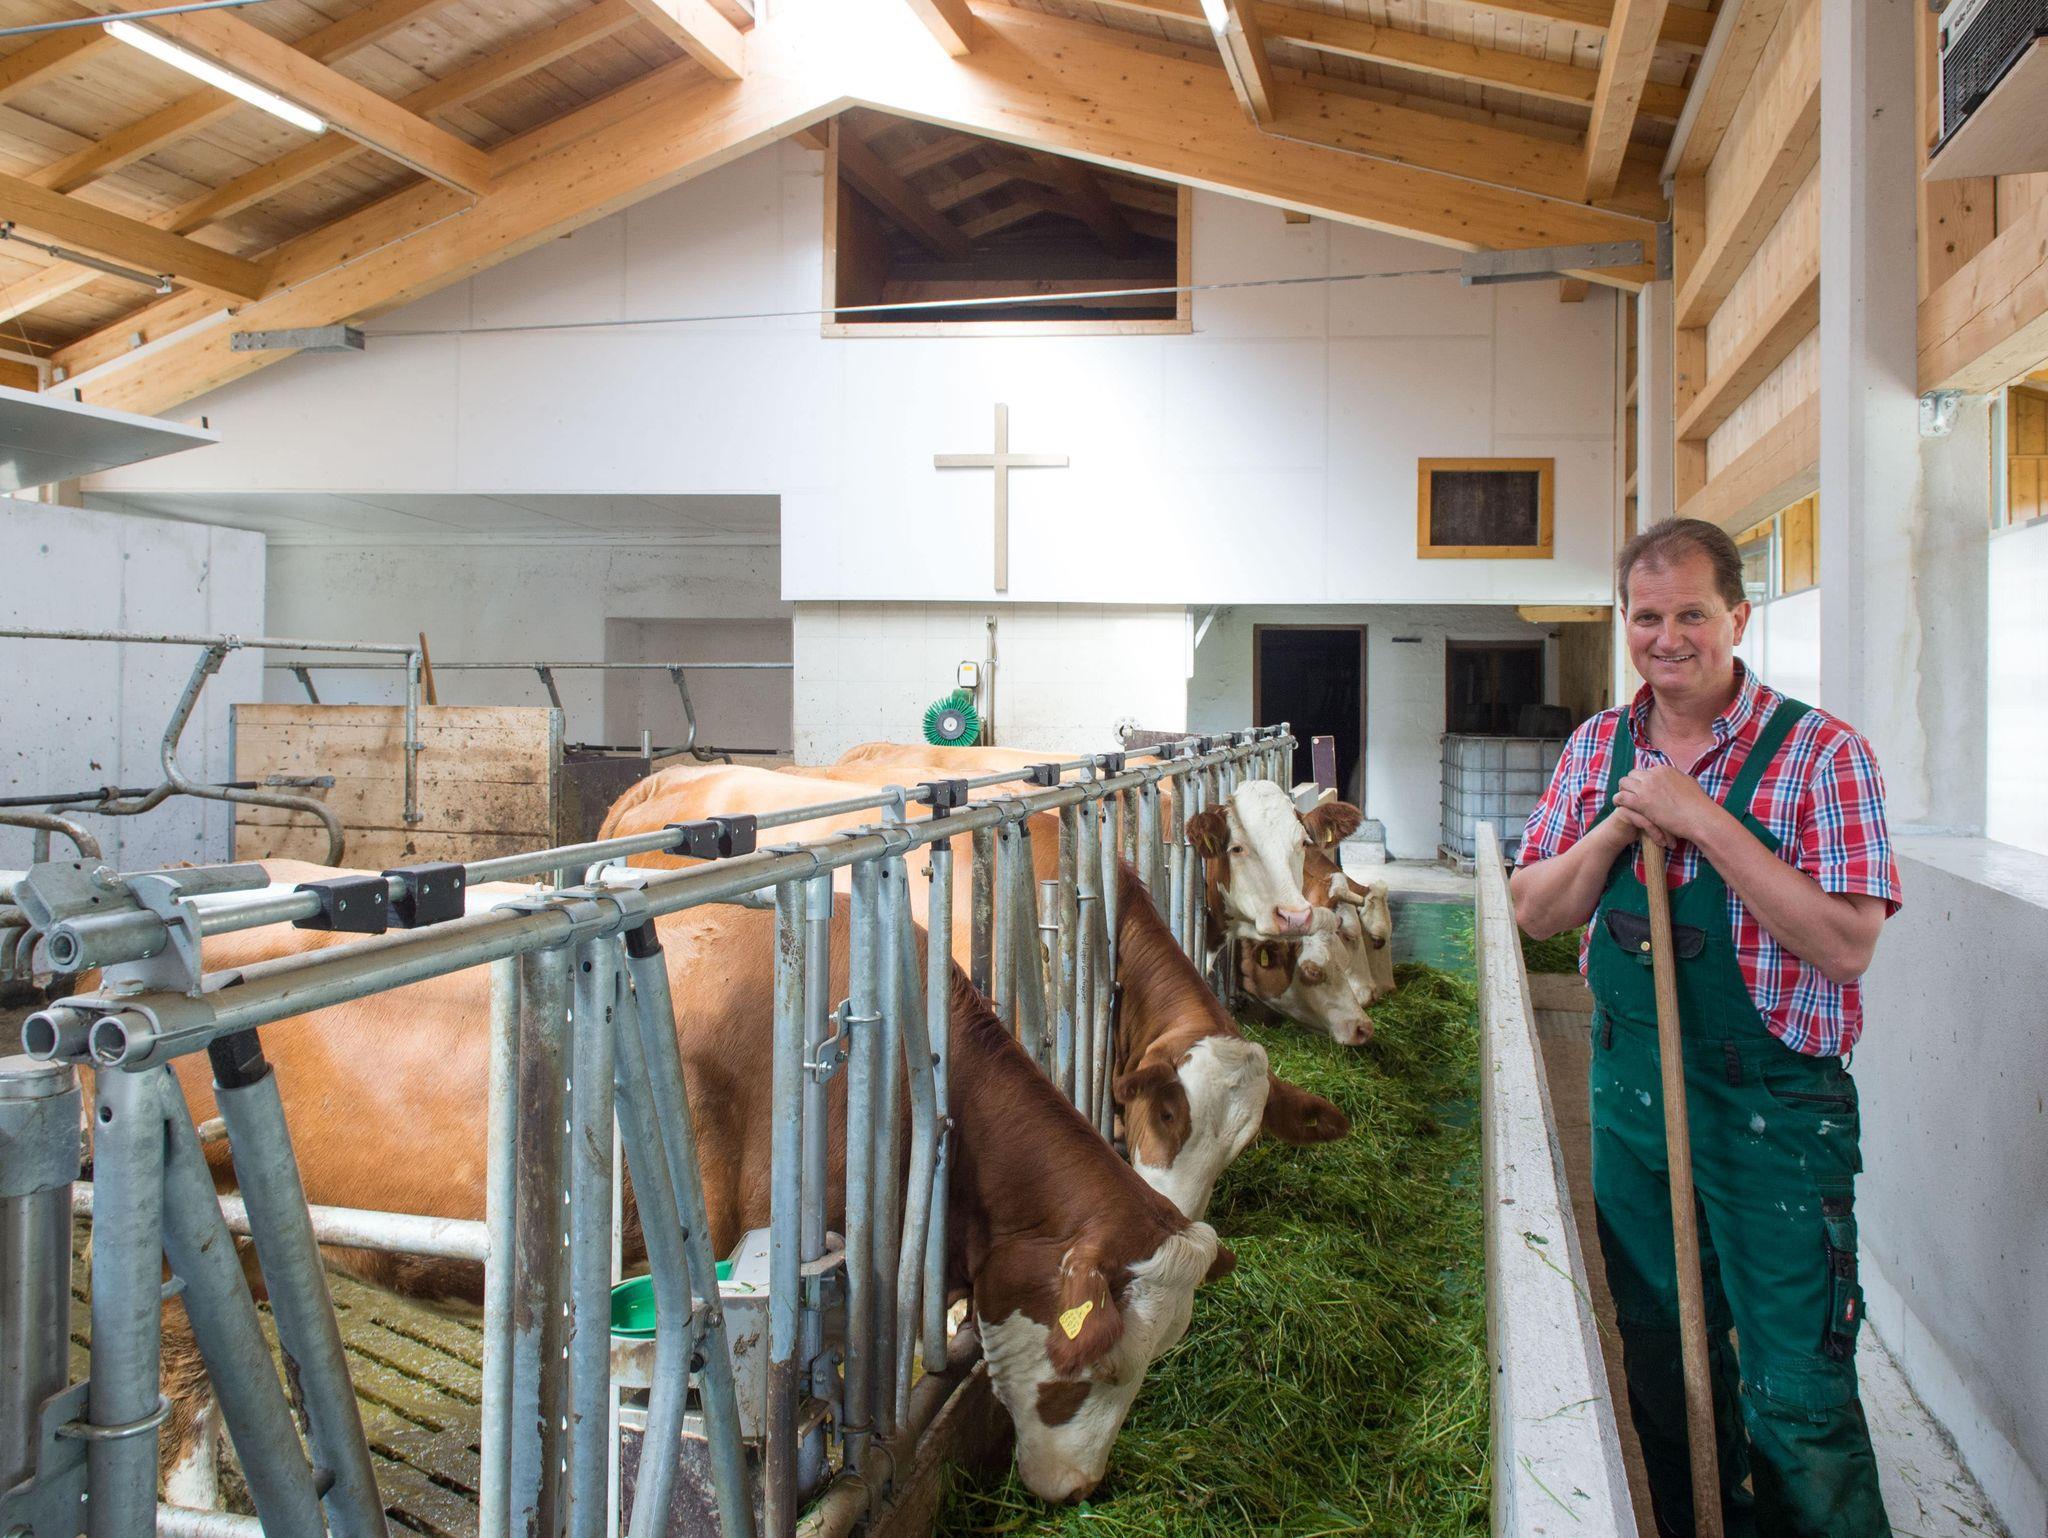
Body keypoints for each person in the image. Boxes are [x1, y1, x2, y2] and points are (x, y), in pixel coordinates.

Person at [1512, 518, 1899, 1538]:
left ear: (1738, 617)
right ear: (1624, 621)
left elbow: (1845, 945)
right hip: (1631, 1095)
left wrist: (1700, 819)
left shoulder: (1821, 754)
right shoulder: (1598, 748)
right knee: (1661, 1359)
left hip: (1775, 1114)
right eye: (1647, 616)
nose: (1667, 637)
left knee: (1794, 1388)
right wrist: (1617, 823)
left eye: (1692, 613)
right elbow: (1534, 909)